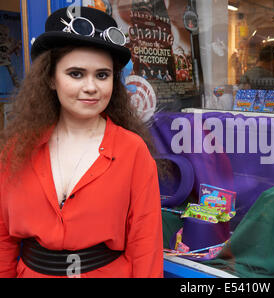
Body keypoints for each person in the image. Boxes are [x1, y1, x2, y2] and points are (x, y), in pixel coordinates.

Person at [0, 6, 163, 278]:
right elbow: (3, 237)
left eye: (102, 75)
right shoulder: (18, 148)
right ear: (51, 79)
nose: (91, 87)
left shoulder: (132, 151)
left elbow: (145, 246)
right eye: (76, 74)